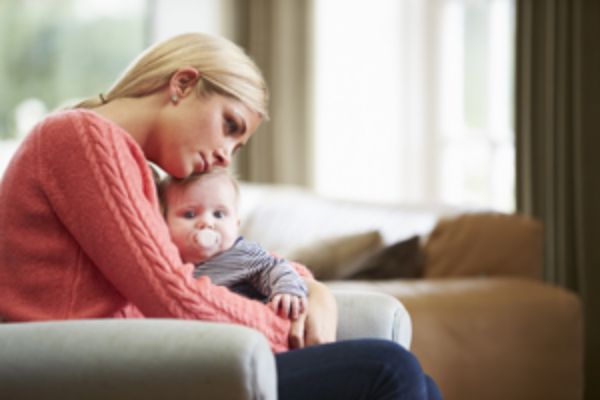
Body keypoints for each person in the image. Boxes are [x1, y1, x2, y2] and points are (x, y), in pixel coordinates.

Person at [0, 32, 442, 399]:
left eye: (237, 145)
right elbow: (173, 294)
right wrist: (287, 326)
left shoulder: (133, 168)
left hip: (138, 361)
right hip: (92, 374)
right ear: (183, 84)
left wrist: (308, 286)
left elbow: (219, 259)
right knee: (388, 368)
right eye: (230, 125)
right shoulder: (81, 137)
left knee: (419, 382)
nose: (223, 156)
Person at [158, 167, 307, 319]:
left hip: (252, 325)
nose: (207, 223)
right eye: (190, 214)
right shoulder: (166, 260)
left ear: (236, 224)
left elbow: (275, 267)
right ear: (164, 222)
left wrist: (287, 290)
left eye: (218, 214)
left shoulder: (243, 254)